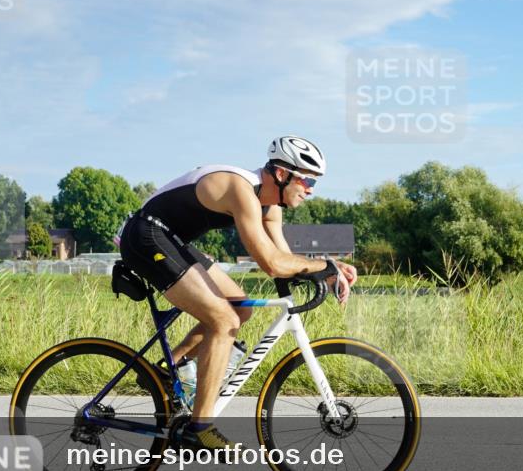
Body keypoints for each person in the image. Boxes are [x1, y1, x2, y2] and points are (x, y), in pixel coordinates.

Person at [118, 136, 357, 451]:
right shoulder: (240, 189)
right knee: (223, 320)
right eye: (307, 178)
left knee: (241, 309)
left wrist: (323, 272)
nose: (311, 188)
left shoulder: (271, 208)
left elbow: (285, 261)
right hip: (145, 235)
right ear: (282, 174)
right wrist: (322, 265)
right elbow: (271, 264)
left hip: (172, 239)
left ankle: (166, 370)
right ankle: (199, 428)